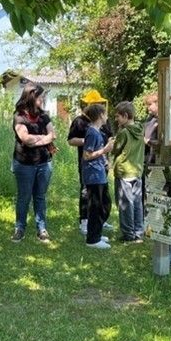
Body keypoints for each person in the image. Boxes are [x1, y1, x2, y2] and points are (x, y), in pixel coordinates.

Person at [11, 83, 56, 243]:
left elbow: (53, 134)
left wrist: (36, 139)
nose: (43, 99)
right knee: (24, 197)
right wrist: (43, 139)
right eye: (40, 96)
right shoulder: (19, 116)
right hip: (24, 164)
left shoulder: (44, 116)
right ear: (31, 97)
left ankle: (41, 229)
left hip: (44, 162)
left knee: (40, 196)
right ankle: (20, 228)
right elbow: (25, 138)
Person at [68, 89, 113, 235]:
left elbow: (109, 141)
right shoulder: (79, 121)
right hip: (89, 164)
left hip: (102, 163)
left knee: (102, 195)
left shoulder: (105, 122)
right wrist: (89, 141)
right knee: (86, 192)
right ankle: (85, 220)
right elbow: (71, 140)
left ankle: (100, 220)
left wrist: (109, 159)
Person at [82, 103, 114, 249]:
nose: (107, 116)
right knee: (96, 207)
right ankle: (93, 240)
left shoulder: (98, 132)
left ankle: (97, 233)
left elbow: (96, 152)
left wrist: (105, 161)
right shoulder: (92, 133)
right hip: (93, 176)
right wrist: (105, 150)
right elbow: (87, 155)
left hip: (99, 174)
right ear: (101, 115)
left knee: (105, 204)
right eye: (105, 113)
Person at [112, 101, 145, 243]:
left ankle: (128, 234)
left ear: (125, 116)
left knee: (125, 204)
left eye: (118, 116)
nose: (116, 119)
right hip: (137, 171)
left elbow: (115, 149)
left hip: (124, 172)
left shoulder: (124, 132)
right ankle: (138, 232)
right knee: (137, 202)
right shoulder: (140, 128)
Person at [142, 91, 159, 211]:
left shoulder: (163, 120)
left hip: (157, 160)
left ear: (158, 103)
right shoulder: (149, 119)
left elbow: (161, 142)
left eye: (150, 104)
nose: (148, 108)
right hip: (146, 158)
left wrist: (147, 141)